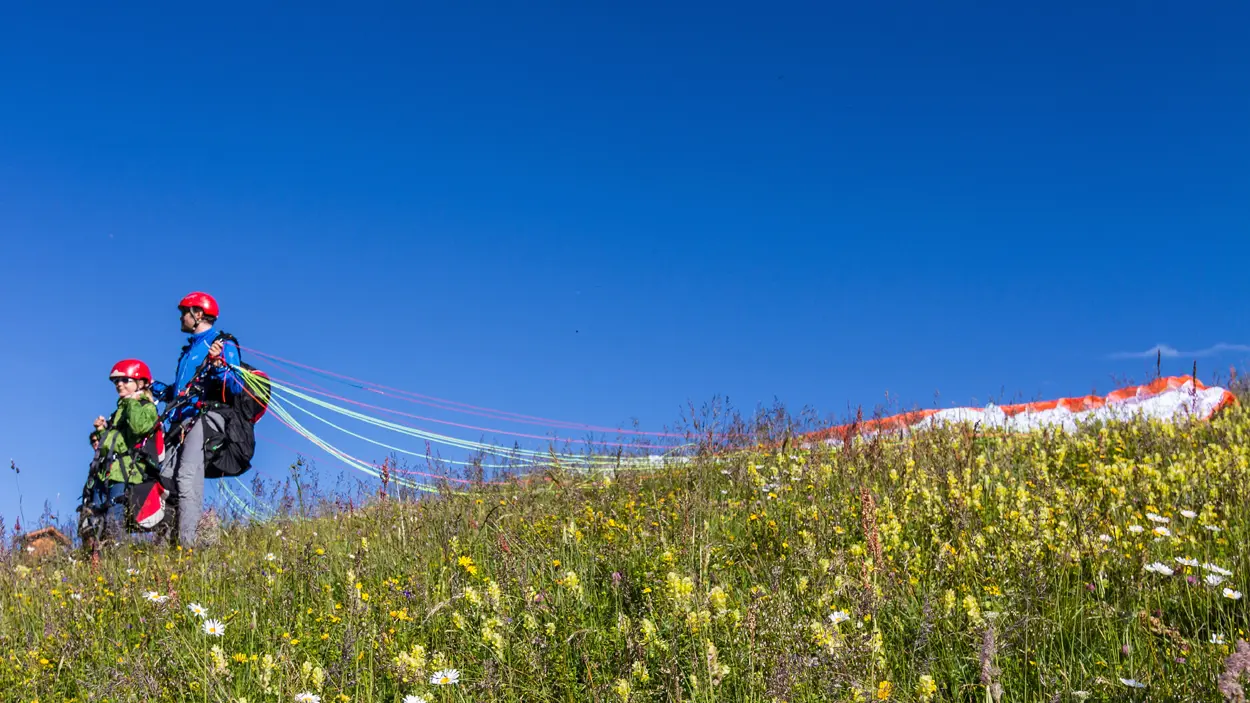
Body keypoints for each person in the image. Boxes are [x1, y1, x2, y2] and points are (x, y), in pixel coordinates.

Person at [155, 291, 244, 548]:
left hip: (205, 417)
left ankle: (188, 547)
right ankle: (165, 550)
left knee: (186, 476)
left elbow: (235, 385)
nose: (181, 317)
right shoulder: (189, 351)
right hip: (181, 420)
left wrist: (218, 366)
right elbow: (181, 391)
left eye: (185, 312)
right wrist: (153, 388)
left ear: (198, 314)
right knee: (166, 479)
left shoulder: (221, 342)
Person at [83, 359, 160, 548]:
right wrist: (102, 431)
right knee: (96, 522)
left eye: (125, 380)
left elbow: (139, 427)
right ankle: (98, 562)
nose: (119, 384)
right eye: (116, 381)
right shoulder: (120, 409)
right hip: (107, 473)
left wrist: (132, 402)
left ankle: (118, 561)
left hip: (125, 472)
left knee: (114, 520)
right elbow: (112, 444)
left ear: (140, 383)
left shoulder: (145, 406)